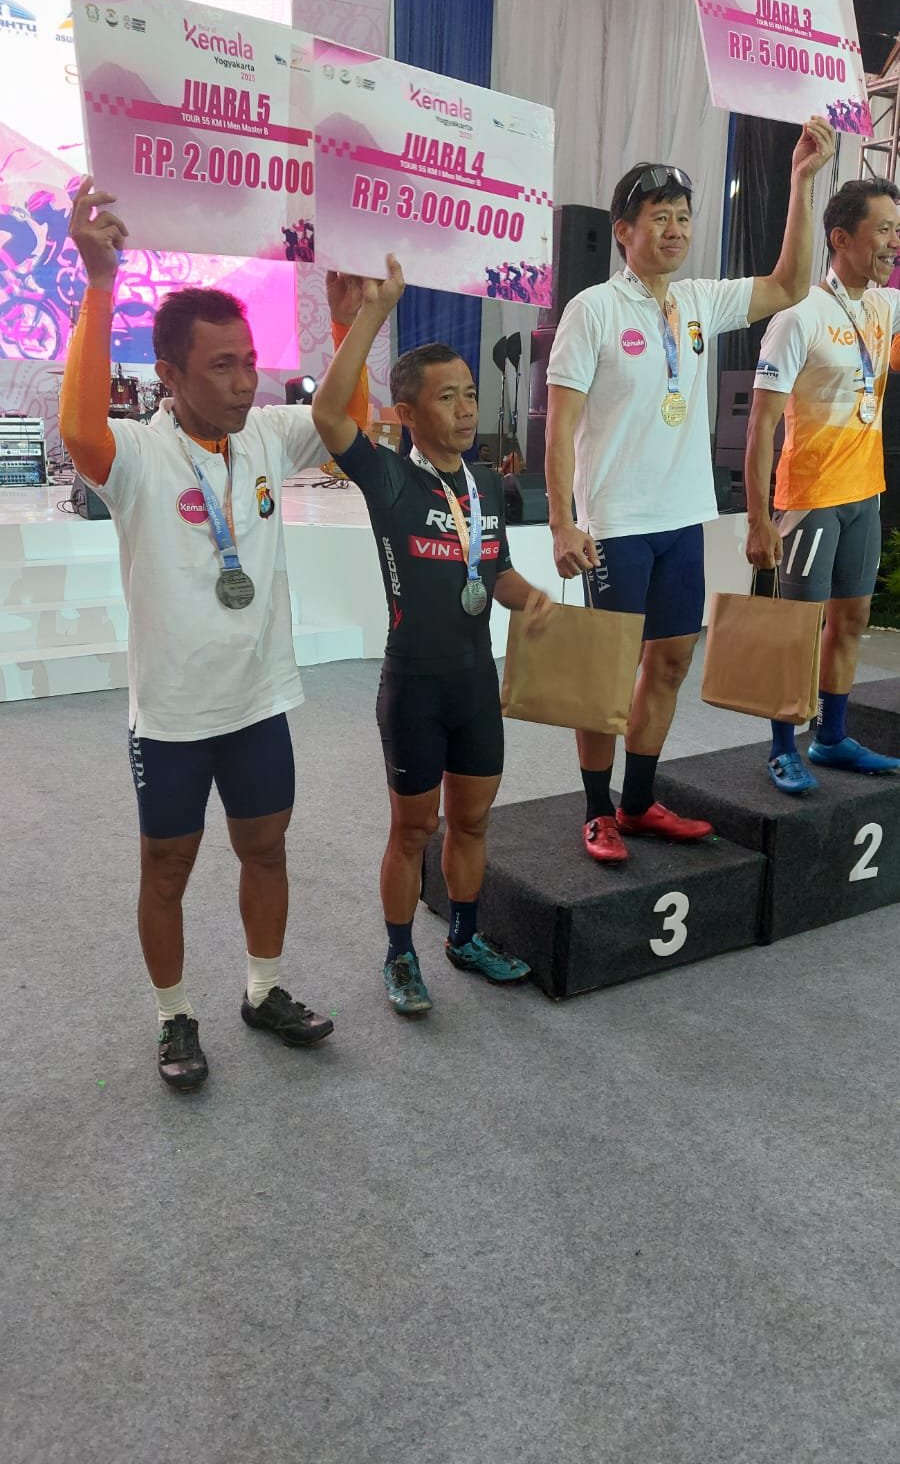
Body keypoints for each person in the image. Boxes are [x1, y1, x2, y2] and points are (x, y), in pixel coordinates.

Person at [59, 178, 367, 1091]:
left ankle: (263, 991)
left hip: (258, 700)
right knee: (167, 867)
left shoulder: (267, 435)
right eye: (224, 365)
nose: (246, 382)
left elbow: (345, 420)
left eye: (251, 361)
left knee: (265, 849)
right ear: (171, 374)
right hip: (173, 714)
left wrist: (349, 326)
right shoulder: (138, 455)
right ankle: (173, 1015)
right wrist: (99, 283)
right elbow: (78, 428)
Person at [545, 118, 836, 864]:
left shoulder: (700, 300)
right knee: (608, 673)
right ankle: (596, 810)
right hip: (614, 524)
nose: (675, 229)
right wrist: (562, 521)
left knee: (671, 660)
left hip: (682, 519)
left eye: (683, 217)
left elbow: (789, 284)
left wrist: (801, 183)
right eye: (660, 218)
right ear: (624, 232)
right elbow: (560, 424)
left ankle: (639, 802)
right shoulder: (592, 310)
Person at [311, 257, 554, 1016]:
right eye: (447, 397)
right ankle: (399, 955)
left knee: (472, 820)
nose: (465, 408)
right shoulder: (390, 479)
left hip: (475, 681)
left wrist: (533, 600)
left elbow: (496, 570)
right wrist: (368, 316)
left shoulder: (486, 486)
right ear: (408, 413)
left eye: (470, 393)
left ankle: (465, 938)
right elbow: (328, 413)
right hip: (413, 684)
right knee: (412, 828)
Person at [745, 177, 900, 792]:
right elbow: (760, 426)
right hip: (809, 500)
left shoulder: (883, 307)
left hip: (865, 494)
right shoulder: (798, 317)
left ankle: (831, 737)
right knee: (797, 632)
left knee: (852, 619)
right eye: (883, 229)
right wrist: (759, 519)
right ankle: (783, 747)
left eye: (897, 230)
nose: (894, 242)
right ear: (840, 237)